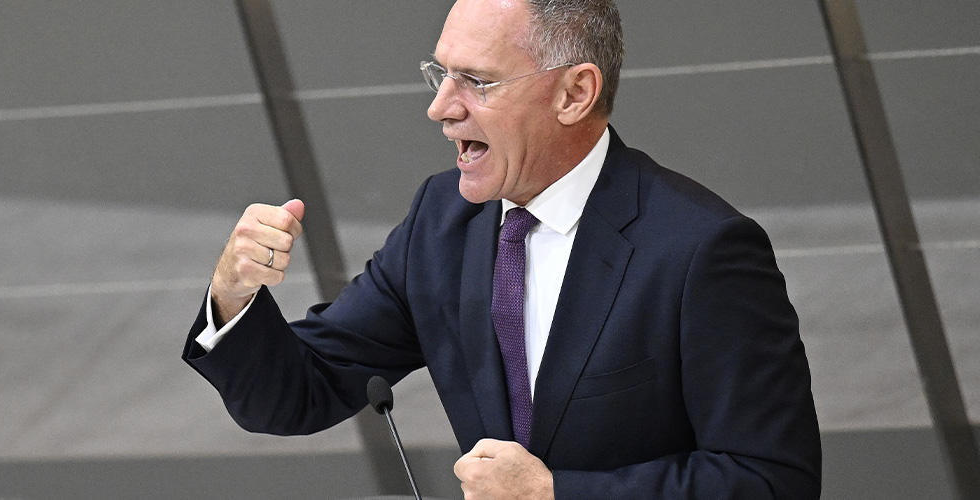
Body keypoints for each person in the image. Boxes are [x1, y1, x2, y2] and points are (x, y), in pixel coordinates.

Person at [183, 0, 822, 498]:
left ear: (574, 93)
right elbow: (299, 392)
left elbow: (771, 480)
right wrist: (233, 294)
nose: (440, 108)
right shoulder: (442, 221)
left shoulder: (701, 250)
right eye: (441, 74)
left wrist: (556, 493)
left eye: (477, 81)